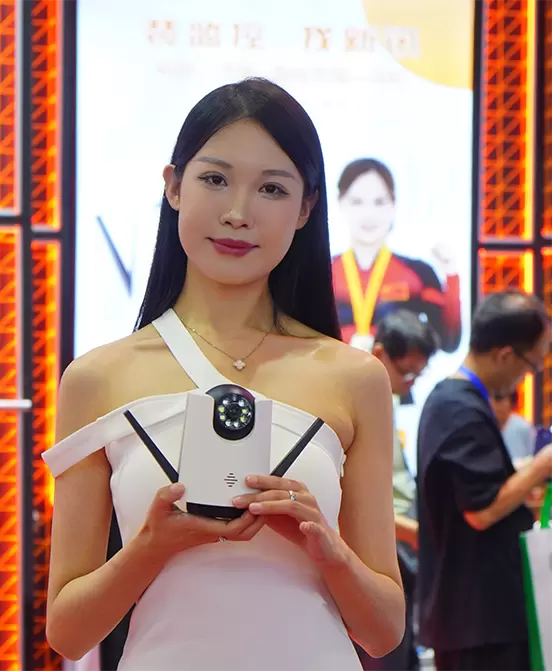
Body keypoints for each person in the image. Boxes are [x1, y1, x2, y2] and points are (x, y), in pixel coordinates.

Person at [42, 78, 405, 670]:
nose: (238, 213)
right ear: (173, 185)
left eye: (271, 188)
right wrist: (152, 546)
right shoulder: (97, 378)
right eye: (215, 179)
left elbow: (385, 631)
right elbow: (68, 632)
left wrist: (327, 547)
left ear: (306, 208)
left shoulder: (355, 378)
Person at [416, 290, 552, 671]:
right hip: (478, 619)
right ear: (505, 355)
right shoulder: (458, 407)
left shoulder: (457, 401)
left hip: (478, 617)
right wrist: (541, 465)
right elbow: (481, 510)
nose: (526, 377)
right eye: (531, 365)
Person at [354, 310, 438, 671]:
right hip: (377, 552)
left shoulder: (382, 399)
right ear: (378, 354)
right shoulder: (352, 400)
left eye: (418, 374)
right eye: (406, 372)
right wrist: (415, 533)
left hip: (400, 547)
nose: (411, 383)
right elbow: (357, 500)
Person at [331, 158, 461, 354]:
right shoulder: (320, 274)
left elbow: (449, 342)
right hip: (336, 373)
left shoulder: (420, 274)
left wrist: (451, 276)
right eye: (357, 202)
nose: (369, 214)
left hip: (397, 374)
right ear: (340, 204)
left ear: (394, 205)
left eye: (379, 202)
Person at [490, 390, 535, 463]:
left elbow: (530, 458)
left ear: (511, 402)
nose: (493, 404)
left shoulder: (523, 427)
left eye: (499, 399)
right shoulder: (485, 426)